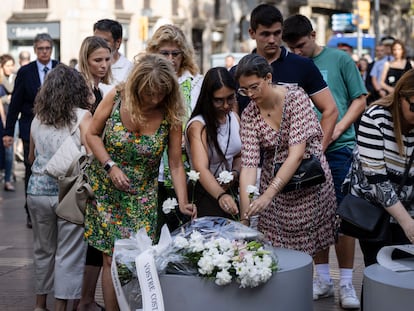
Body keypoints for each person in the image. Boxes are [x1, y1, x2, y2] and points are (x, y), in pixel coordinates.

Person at [84, 53, 196, 310]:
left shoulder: (170, 114)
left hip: (142, 196)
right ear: (137, 87)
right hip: (106, 191)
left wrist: (183, 202)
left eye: (160, 94)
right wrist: (110, 166)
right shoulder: (116, 96)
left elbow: (176, 164)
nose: (154, 99)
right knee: (111, 259)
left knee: (139, 259)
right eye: (149, 94)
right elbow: (92, 134)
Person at [282, 14, 367, 309]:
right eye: (291, 48)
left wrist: (338, 129)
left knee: (344, 216)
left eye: (301, 45)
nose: (297, 53)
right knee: (314, 215)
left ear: (314, 35)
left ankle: (346, 282)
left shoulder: (340, 60)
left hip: (339, 147)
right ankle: (323, 278)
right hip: (304, 151)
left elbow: (359, 99)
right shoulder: (291, 64)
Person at [236, 53, 337, 265]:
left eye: (254, 87)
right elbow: (249, 166)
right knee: (278, 252)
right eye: (244, 90)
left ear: (268, 78)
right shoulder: (249, 115)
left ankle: (318, 284)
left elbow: (297, 153)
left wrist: (267, 195)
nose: (250, 94)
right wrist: (245, 218)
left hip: (307, 180)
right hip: (275, 188)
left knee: (310, 249)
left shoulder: (296, 97)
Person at [27, 63, 93, 311]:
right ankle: (61, 308)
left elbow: (32, 157)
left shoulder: (37, 119)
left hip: (37, 192)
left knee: (43, 251)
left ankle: (39, 305)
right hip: (69, 194)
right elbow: (89, 154)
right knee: (69, 253)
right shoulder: (82, 117)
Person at [229, 3, 338, 151]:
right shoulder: (237, 73)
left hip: (297, 161)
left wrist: (316, 155)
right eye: (265, 34)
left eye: (277, 33)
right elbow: (231, 119)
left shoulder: (302, 65)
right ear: (252, 33)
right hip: (251, 160)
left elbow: (330, 110)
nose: (272, 40)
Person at [347, 69, 414, 267]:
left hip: (409, 207)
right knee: (377, 271)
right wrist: (407, 224)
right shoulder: (376, 117)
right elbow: (377, 180)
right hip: (374, 211)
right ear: (400, 96)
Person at [146, 24, 203, 234]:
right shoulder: (146, 82)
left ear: (183, 55)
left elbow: (200, 122)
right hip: (151, 173)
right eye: (164, 53)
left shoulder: (195, 84)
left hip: (185, 170)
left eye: (175, 53)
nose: (170, 59)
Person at [3, 33, 58, 229]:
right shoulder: (25, 72)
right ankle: (31, 212)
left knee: (55, 169)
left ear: (51, 49)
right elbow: (16, 102)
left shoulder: (60, 69)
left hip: (56, 130)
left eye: (47, 48)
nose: (44, 52)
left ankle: (55, 210)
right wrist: (8, 132)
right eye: (40, 48)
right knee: (30, 169)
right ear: (35, 50)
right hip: (30, 129)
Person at [76, 35, 112, 311]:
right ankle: (83, 299)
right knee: (90, 241)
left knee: (96, 241)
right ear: (86, 60)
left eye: (106, 59)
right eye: (97, 60)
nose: (102, 64)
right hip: (88, 170)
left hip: (99, 168)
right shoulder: (84, 90)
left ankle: (84, 298)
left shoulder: (102, 89)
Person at [185, 67, 241, 218]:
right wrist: (221, 195)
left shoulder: (234, 118)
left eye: (230, 98)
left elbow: (239, 155)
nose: (225, 105)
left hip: (231, 190)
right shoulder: (198, 126)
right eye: (219, 100)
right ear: (208, 99)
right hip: (205, 194)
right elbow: (201, 168)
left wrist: (234, 174)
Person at [93, 19, 133, 87]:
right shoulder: (82, 67)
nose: (98, 44)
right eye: (95, 40)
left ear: (118, 42)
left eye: (104, 41)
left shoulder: (129, 70)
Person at [0, 54, 16, 191]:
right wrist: (6, 98)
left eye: (12, 65)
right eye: (7, 65)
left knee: (10, 150)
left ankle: (8, 178)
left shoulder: (15, 77)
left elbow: (14, 95)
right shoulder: (2, 79)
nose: (10, 68)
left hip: (12, 118)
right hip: (2, 118)